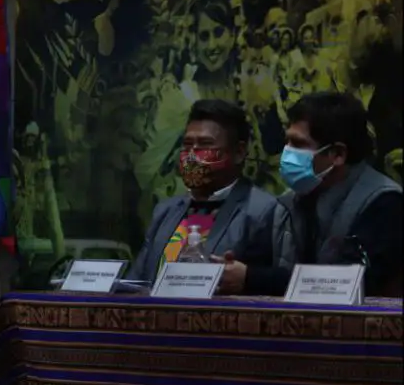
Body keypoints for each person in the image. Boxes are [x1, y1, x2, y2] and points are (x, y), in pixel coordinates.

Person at [126, 99, 287, 296]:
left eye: (205, 145)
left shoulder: (264, 211)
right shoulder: (165, 211)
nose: (192, 156)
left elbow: (282, 284)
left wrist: (249, 280)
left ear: (238, 152)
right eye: (187, 145)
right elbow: (135, 282)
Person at [270, 92, 400, 296]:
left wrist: (253, 278)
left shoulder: (384, 203)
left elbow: (344, 284)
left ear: (338, 154)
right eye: (287, 142)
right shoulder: (289, 202)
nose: (286, 152)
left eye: (298, 144)